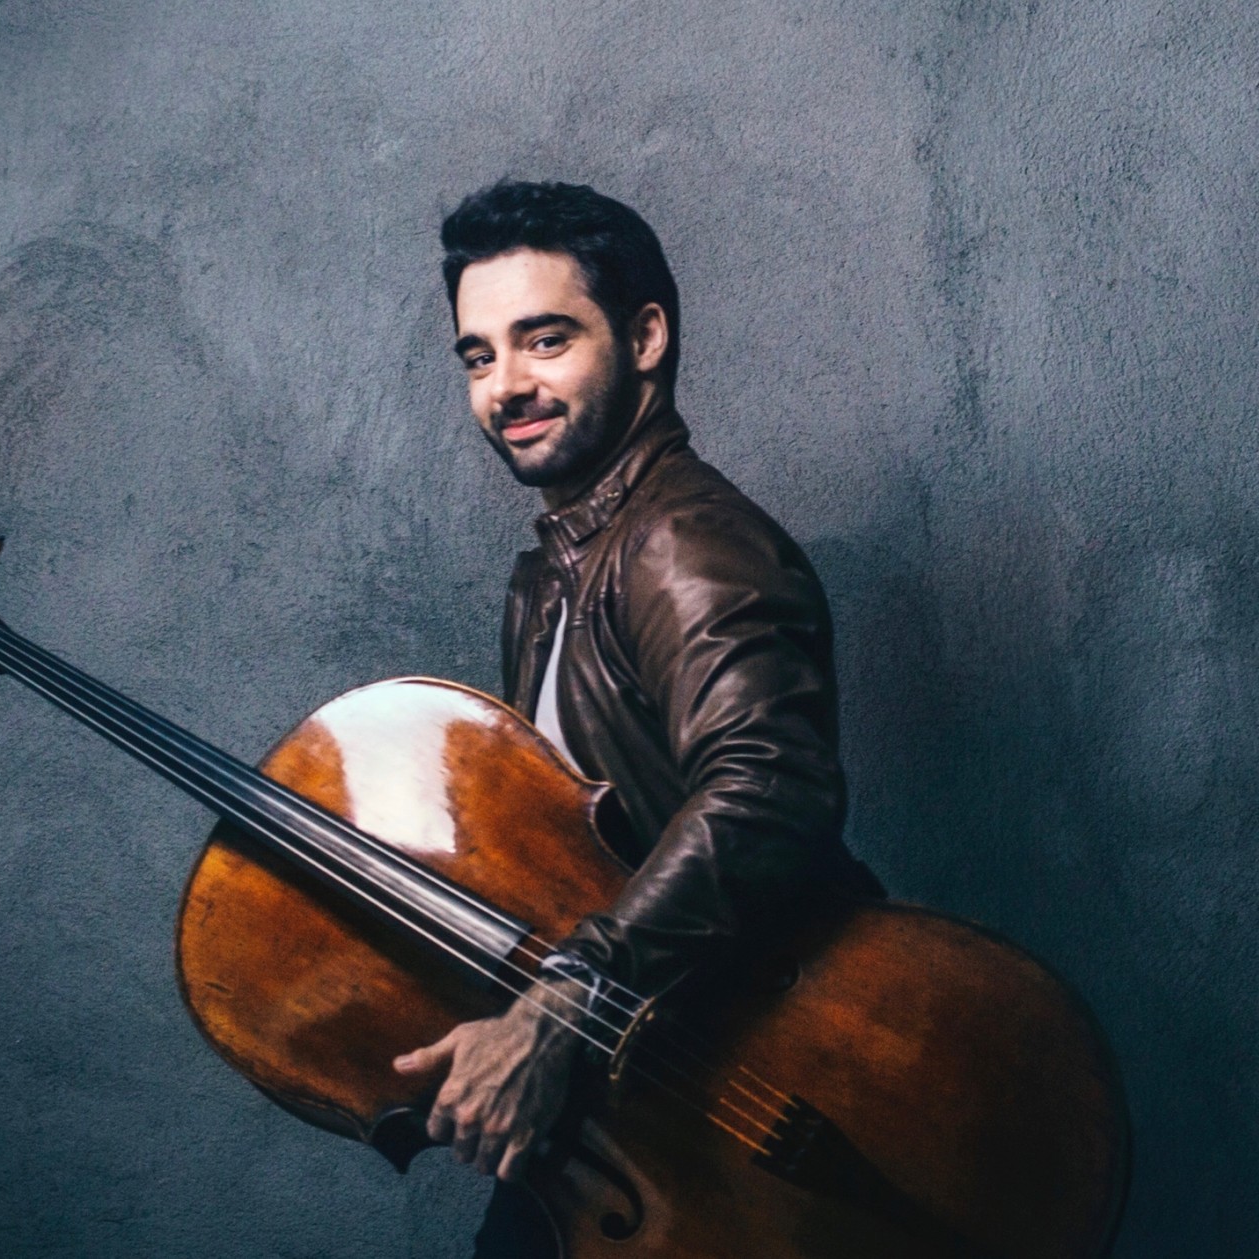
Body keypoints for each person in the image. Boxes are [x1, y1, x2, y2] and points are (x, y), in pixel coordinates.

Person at [390, 181, 883, 1257]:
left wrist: (566, 995)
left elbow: (769, 785)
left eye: (544, 338)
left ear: (645, 335)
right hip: (636, 1098)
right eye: (477, 355)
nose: (505, 386)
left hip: (743, 1074)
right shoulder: (550, 574)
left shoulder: (685, 542)